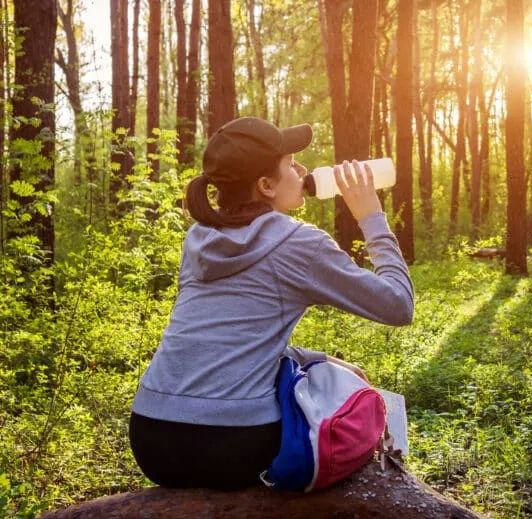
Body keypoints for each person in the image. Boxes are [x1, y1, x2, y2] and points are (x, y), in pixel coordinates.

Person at [128, 117, 414, 490]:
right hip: (231, 443)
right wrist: (371, 216)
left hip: (150, 436)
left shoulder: (199, 238)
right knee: (355, 412)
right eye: (291, 164)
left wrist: (319, 358)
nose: (303, 171)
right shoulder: (299, 242)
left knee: (323, 371)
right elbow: (398, 305)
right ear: (265, 186)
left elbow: (228, 338)